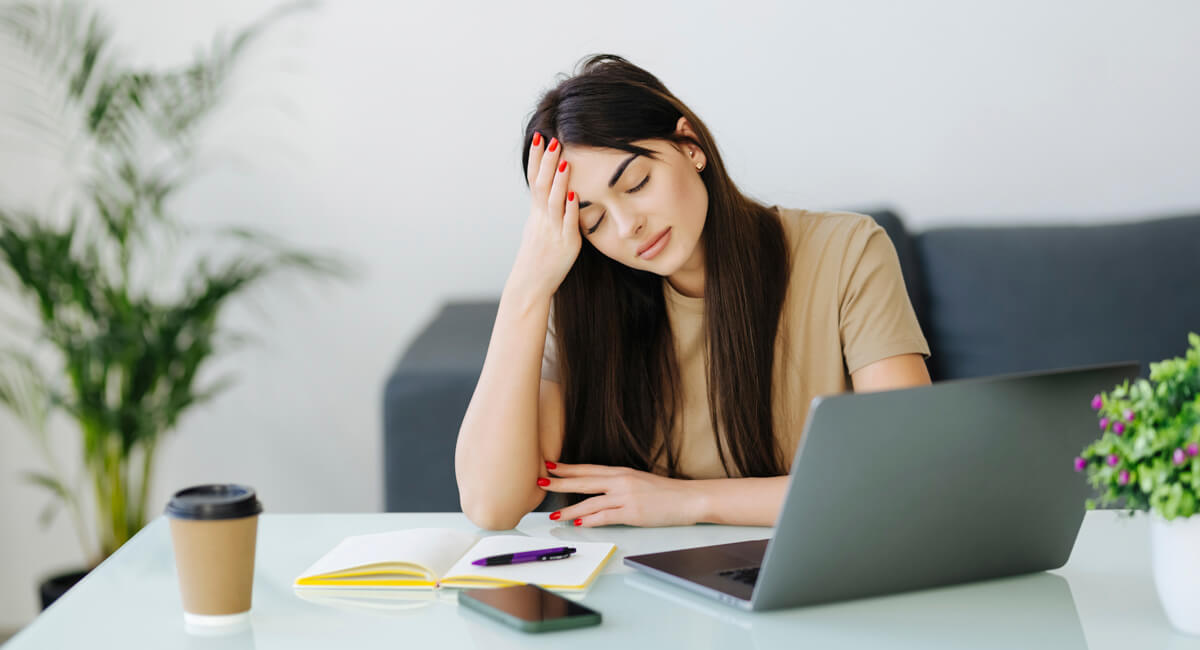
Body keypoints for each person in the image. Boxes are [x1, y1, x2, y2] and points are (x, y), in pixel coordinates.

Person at [455, 54, 931, 531]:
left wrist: (688, 502)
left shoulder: (846, 251)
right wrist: (526, 287)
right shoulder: (583, 301)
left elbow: (907, 474)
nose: (627, 226)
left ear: (690, 145)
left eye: (637, 183)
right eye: (592, 219)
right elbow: (491, 506)